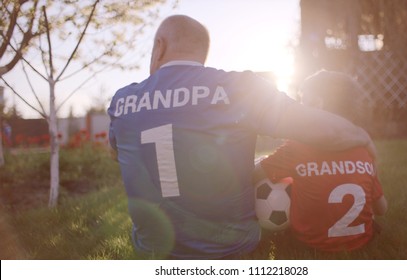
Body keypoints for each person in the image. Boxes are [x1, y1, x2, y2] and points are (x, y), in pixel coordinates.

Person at [107, 15, 375, 259]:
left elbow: (117, 154)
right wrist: (361, 135)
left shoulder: (122, 100)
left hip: (154, 252)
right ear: (202, 54)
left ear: (159, 46)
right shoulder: (240, 88)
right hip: (230, 251)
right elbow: (323, 129)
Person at [257, 70, 388, 252]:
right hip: (360, 244)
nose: (299, 107)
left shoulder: (296, 148)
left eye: (302, 101)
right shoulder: (363, 151)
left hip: (309, 246)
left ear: (317, 104)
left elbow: (252, 175)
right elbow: (382, 209)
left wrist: (261, 161)